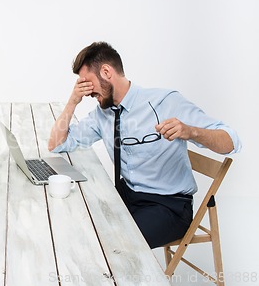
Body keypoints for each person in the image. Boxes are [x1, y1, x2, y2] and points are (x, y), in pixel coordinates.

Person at [48, 41, 241, 249]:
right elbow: (58, 144)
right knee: (76, 222)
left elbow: (231, 141)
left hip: (168, 206)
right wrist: (72, 101)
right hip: (127, 194)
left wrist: (190, 131)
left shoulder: (165, 102)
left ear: (106, 71)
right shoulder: (102, 114)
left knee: (115, 246)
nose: (86, 92)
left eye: (87, 83)